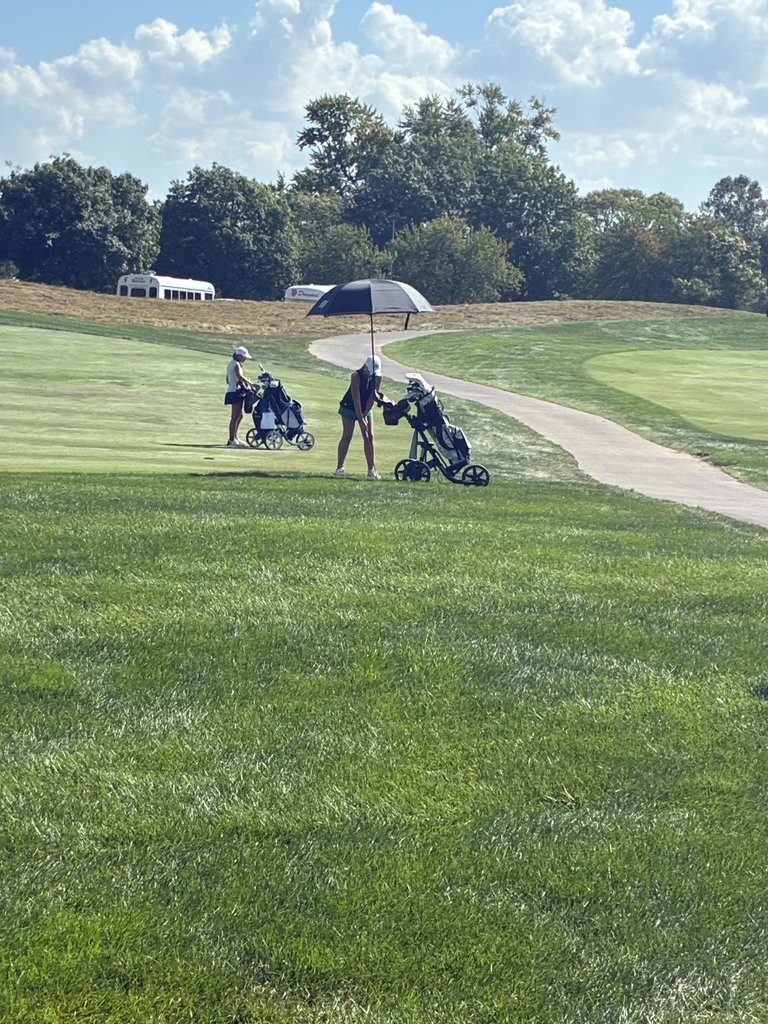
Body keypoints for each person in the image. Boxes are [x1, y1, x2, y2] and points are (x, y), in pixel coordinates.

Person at [334, 355, 382, 479]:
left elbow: (373, 397)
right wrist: (360, 419)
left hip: (366, 407)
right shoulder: (355, 376)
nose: (370, 375)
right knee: (347, 435)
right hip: (349, 407)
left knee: (369, 436)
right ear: (365, 367)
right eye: (369, 372)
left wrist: (365, 415)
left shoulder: (378, 377)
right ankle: (339, 468)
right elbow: (356, 398)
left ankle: (371, 470)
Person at [224, 345, 256, 447]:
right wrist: (251, 384)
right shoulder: (236, 364)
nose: (245, 358)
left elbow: (228, 379)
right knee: (235, 416)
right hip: (235, 392)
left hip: (234, 391)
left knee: (239, 416)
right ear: (238, 356)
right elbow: (239, 377)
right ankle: (232, 440)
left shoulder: (232, 363)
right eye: (244, 357)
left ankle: (235, 438)